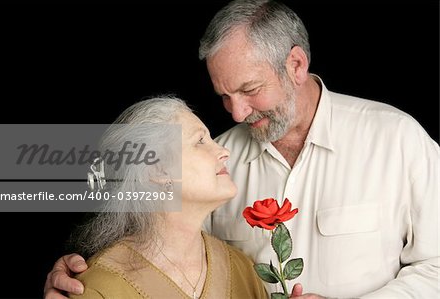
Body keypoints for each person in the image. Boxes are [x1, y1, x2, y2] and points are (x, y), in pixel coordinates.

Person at [44, 0, 439, 298]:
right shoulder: (218, 162)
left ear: (296, 65)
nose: (236, 111)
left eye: (249, 90)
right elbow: (158, 251)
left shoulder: (397, 138)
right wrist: (87, 274)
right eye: (224, 96)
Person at [59, 96, 268, 298]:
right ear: (158, 171)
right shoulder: (99, 287)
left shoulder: (243, 269)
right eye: (201, 141)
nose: (224, 151)